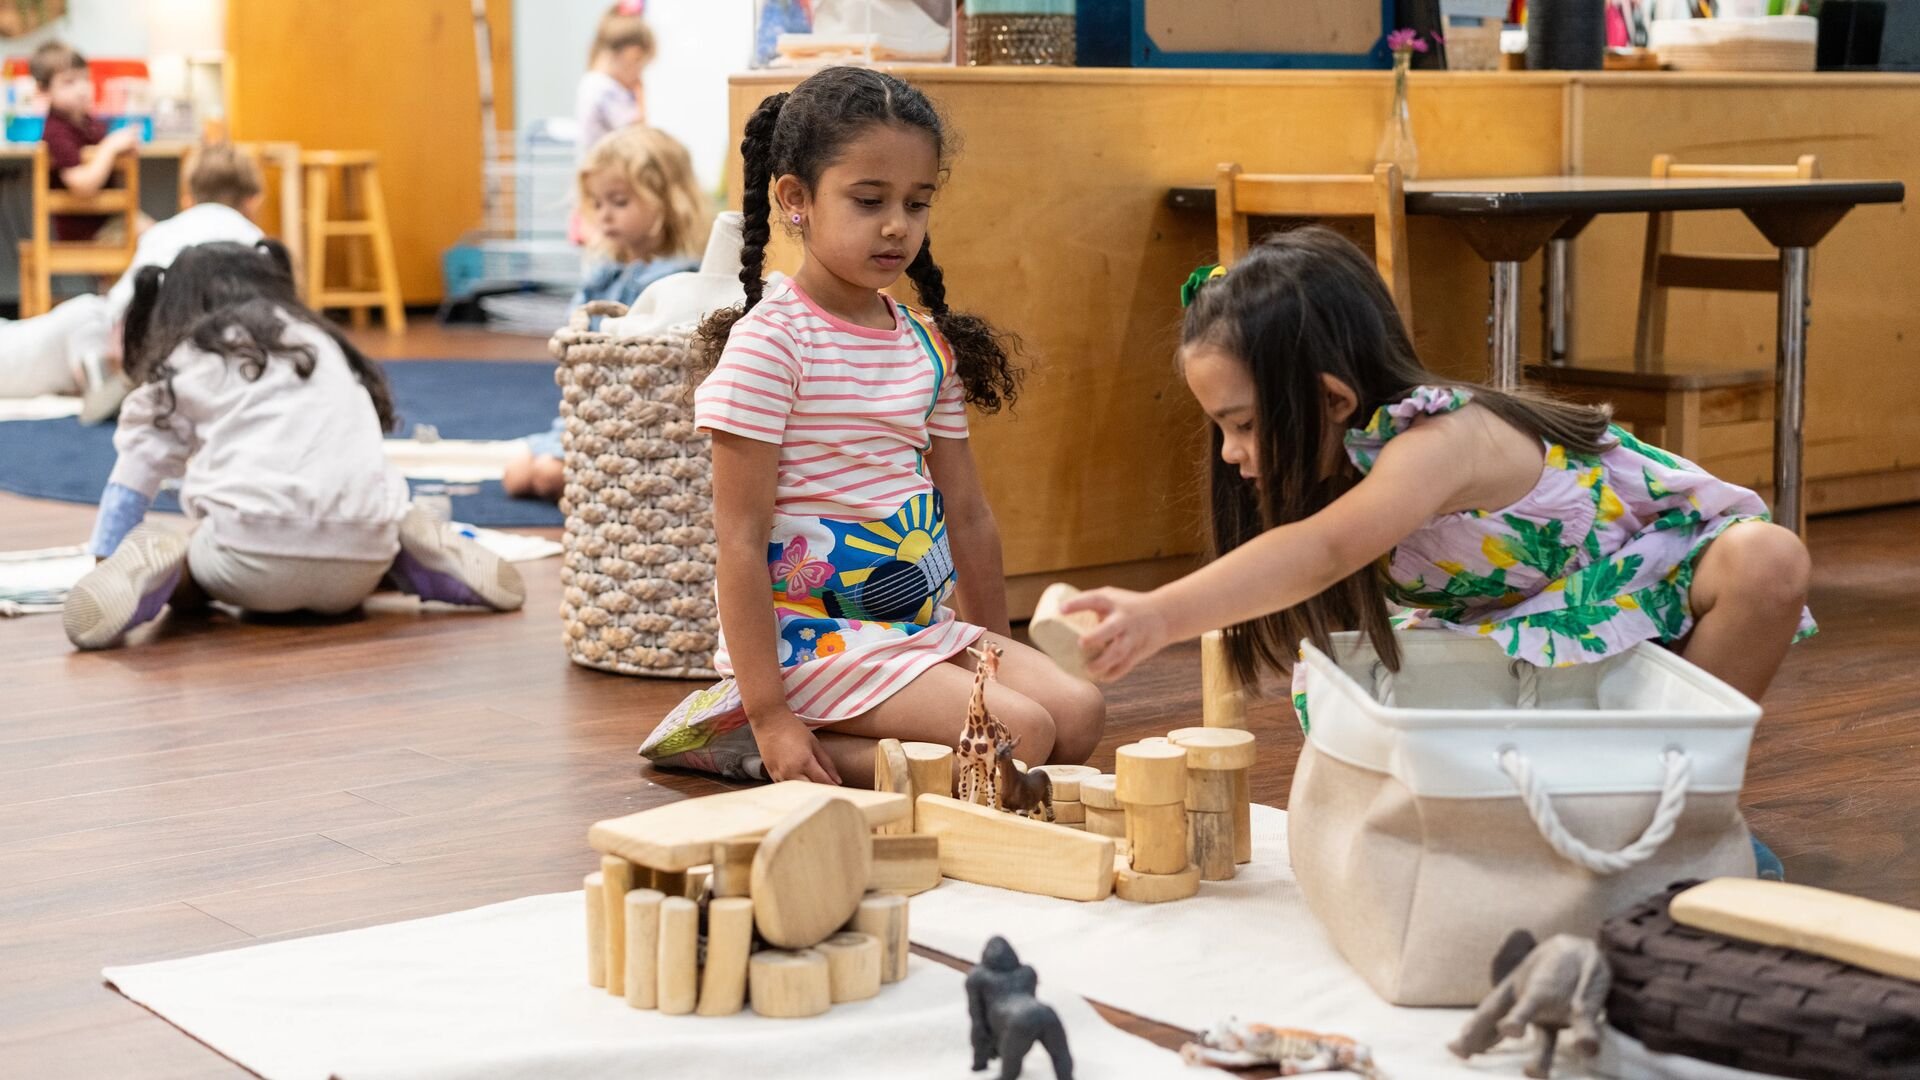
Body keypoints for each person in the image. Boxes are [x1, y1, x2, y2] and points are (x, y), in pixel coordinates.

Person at [1063, 227, 1815, 712]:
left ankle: (1682, 800)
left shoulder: (1439, 441)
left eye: (1246, 426)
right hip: (1515, 630)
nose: (1230, 454)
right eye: (1221, 429)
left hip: (1641, 586)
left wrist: (1158, 615)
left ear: (1331, 399)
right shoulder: (1347, 450)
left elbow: (1321, 550)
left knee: (1767, 559)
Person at [637, 67, 1104, 786]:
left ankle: (875, 743)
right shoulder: (772, 342)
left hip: (917, 629)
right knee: (1023, 735)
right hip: (814, 642)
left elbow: (969, 515)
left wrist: (989, 649)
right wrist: (770, 713)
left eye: (917, 204)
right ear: (796, 200)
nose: (897, 225)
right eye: (869, 200)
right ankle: (754, 744)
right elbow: (738, 539)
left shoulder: (925, 342)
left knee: (1075, 716)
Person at [64, 241, 526, 651]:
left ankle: (159, 569)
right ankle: (412, 555)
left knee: (192, 575)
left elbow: (137, 467)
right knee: (347, 546)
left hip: (249, 564)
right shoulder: (323, 343)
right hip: (358, 568)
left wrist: (107, 556)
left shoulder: (190, 356)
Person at [502, 125, 712, 501]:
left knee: (548, 476)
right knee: (516, 473)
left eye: (619, 202)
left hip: (639, 419)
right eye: (597, 204)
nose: (605, 215)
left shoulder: (680, 279)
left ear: (665, 200)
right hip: (592, 409)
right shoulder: (604, 276)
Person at [0, 142, 267, 420]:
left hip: (108, 334)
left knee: (30, 346)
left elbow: (123, 314)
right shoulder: (260, 245)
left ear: (187, 200)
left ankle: (101, 375)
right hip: (152, 350)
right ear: (253, 201)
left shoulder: (165, 233)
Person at [29, 41, 145, 245]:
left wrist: (123, 147)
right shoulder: (56, 131)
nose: (82, 89)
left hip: (107, 219)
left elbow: (108, 152)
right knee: (156, 237)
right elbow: (82, 184)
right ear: (43, 90)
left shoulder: (88, 123)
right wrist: (110, 148)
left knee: (157, 233)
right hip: (87, 227)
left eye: (85, 79)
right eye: (69, 82)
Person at [570, 1, 655, 248]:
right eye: (638, 63)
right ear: (624, 55)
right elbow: (638, 133)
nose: (638, 72)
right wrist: (640, 93)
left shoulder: (594, 83)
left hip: (601, 181)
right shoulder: (605, 89)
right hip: (607, 182)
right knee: (606, 248)